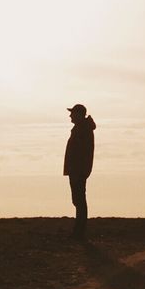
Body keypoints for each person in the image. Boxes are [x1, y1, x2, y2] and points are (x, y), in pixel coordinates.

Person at [63, 103, 96, 240]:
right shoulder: (82, 129)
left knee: (79, 200)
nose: (70, 115)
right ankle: (78, 231)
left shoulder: (82, 130)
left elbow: (82, 153)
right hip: (77, 170)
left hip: (78, 171)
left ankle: (79, 232)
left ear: (79, 115)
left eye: (72, 113)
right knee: (78, 200)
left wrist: (78, 171)